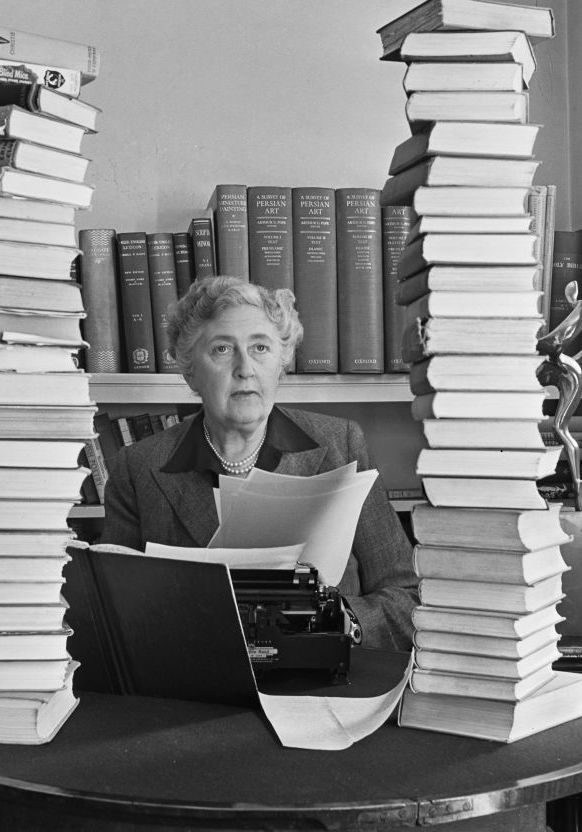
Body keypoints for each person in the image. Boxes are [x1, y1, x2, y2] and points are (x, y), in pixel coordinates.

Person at [99, 275, 419, 651]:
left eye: (260, 348)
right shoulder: (138, 467)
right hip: (196, 693)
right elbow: (111, 614)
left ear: (281, 362)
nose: (245, 368)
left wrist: (340, 620)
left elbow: (406, 598)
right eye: (221, 349)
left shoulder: (341, 444)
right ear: (190, 371)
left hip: (322, 687)